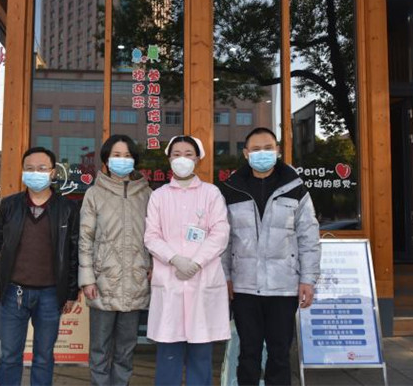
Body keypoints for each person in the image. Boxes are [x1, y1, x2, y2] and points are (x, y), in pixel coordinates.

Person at [220, 127, 321, 386]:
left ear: (277, 151)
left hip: (283, 287)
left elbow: (308, 236)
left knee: (279, 355)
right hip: (244, 287)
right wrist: (225, 277)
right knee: (248, 353)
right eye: (256, 149)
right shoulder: (232, 189)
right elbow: (223, 240)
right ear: (246, 154)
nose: (262, 153)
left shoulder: (295, 188)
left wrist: (308, 279)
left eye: (268, 148)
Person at [144, 135, 231, 386]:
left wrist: (196, 263)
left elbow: (220, 233)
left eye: (188, 154)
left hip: (202, 279)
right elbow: (151, 236)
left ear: (198, 159)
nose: (182, 159)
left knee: (201, 355)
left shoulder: (211, 193)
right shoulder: (159, 196)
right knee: (168, 354)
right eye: (176, 154)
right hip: (170, 279)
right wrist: (175, 259)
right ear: (169, 159)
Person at [0, 146, 80, 386]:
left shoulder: (67, 208)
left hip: (51, 294)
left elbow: (73, 252)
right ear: (22, 171)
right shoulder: (9, 205)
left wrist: (71, 292)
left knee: (43, 356)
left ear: (53, 172)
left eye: (41, 168)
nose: (35, 173)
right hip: (14, 292)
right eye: (29, 168)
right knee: (9, 355)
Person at [79, 134, 152, 386]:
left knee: (126, 350)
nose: (122, 160)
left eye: (127, 155)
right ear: (107, 160)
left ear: (134, 160)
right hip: (102, 283)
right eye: (117, 155)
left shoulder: (147, 194)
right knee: (100, 349)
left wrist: (152, 266)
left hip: (135, 281)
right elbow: (85, 239)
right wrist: (87, 278)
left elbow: (155, 237)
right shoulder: (94, 194)